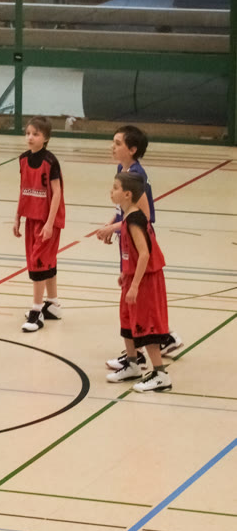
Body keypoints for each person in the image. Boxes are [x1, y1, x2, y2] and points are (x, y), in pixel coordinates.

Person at [95, 125, 183, 370]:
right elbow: (122, 211)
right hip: (126, 240)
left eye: (118, 143)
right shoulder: (121, 170)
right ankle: (136, 354)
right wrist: (110, 226)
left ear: (132, 149)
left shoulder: (137, 176)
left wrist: (114, 228)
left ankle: (164, 339)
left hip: (137, 243)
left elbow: (144, 216)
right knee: (130, 302)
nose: (113, 147)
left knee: (140, 300)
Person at [105, 172, 172, 393]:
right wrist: (126, 273)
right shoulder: (127, 217)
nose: (111, 191)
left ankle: (161, 374)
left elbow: (144, 253)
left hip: (146, 279)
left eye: (115, 187)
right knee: (127, 319)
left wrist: (134, 284)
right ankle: (132, 364)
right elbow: (131, 252)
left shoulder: (135, 220)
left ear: (127, 194)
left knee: (147, 325)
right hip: (133, 276)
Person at [13, 116, 65, 332]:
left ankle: (36, 311)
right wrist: (17, 216)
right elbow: (23, 188)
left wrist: (50, 223)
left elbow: (57, 193)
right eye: (28, 133)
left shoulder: (50, 162)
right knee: (46, 262)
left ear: (46, 138)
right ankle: (52, 304)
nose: (30, 137)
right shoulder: (23, 159)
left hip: (47, 220)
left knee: (38, 263)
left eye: (35, 134)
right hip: (31, 217)